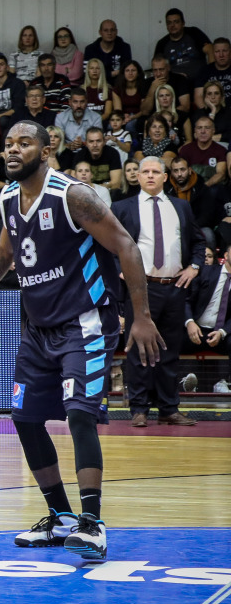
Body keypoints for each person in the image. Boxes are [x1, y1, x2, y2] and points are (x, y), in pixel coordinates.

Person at [0, 120, 165, 563]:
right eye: (7, 143)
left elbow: (126, 245)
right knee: (25, 418)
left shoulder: (73, 195)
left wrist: (141, 316)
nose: (12, 150)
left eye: (23, 143)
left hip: (83, 320)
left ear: (46, 149)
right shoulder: (9, 196)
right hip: (38, 326)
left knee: (78, 415)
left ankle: (93, 525)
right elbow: (5, 254)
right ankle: (60, 517)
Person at [111, 157, 202, 427]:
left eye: (155, 172)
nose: (150, 176)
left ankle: (168, 408)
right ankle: (139, 409)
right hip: (140, 288)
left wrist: (194, 267)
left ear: (165, 177)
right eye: (145, 172)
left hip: (173, 286)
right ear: (137, 177)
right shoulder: (122, 207)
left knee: (169, 351)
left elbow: (198, 241)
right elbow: (107, 244)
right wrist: (119, 269)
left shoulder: (181, 207)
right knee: (139, 349)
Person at [183, 243, 231, 392]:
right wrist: (189, 322)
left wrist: (222, 332)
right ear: (226, 256)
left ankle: (223, 382)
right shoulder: (207, 272)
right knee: (168, 339)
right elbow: (185, 299)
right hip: (195, 328)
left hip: (221, 333)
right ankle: (178, 383)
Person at [153, 9, 213, 85]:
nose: (172, 25)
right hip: (174, 85)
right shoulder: (162, 43)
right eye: (169, 23)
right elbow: (157, 66)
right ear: (166, 26)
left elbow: (210, 50)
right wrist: (176, 77)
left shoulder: (194, 33)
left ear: (183, 23)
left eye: (176, 22)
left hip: (199, 82)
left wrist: (212, 75)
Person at [179, 116, 227, 187]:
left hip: (212, 187)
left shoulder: (221, 150)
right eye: (199, 128)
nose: (203, 131)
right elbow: (180, 172)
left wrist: (204, 187)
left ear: (213, 130)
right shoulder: (185, 150)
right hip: (190, 187)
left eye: (207, 128)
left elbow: (221, 174)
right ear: (195, 130)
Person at [0, 56, 26, 121]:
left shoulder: (18, 84)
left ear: (7, 68)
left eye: (1, 64)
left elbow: (18, 108)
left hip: (15, 118)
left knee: (3, 120)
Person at [196, 38, 231, 107]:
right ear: (213, 53)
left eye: (224, 51)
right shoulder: (204, 71)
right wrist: (209, 113)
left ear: (230, 52)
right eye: (217, 51)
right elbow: (198, 97)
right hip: (211, 112)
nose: (221, 55)